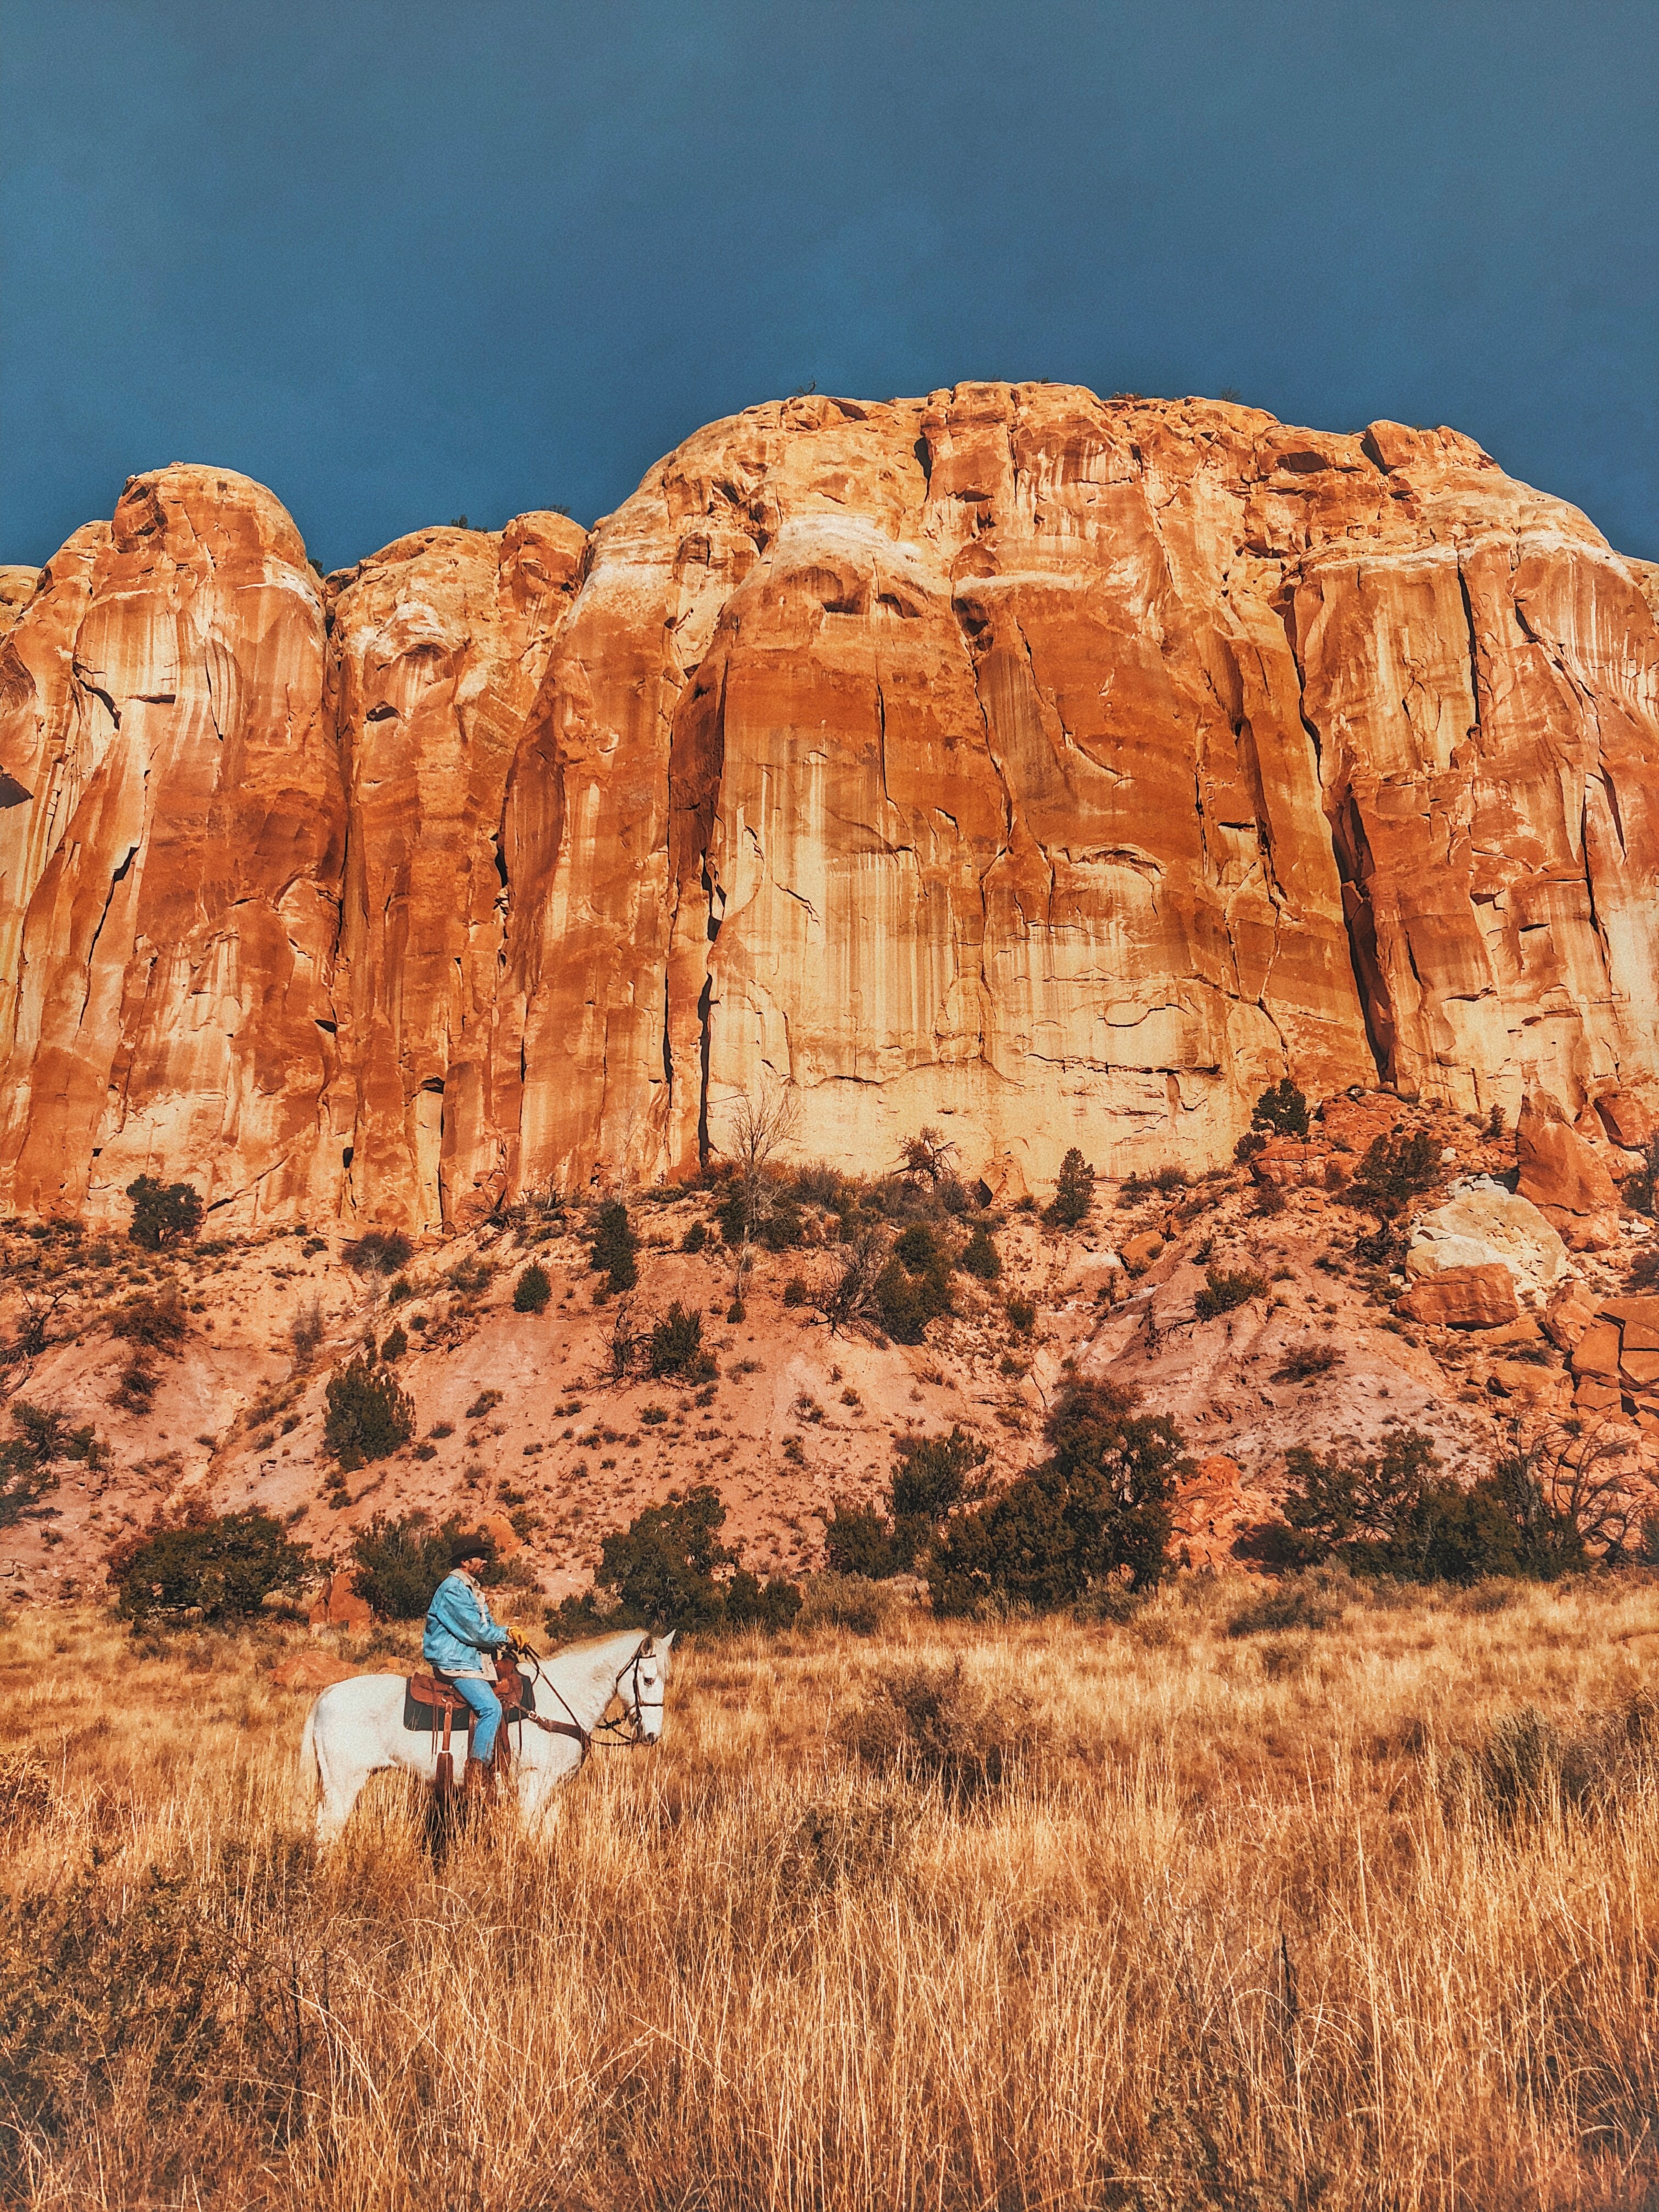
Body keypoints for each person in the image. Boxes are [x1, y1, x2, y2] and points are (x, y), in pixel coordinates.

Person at [424, 1534, 513, 1798]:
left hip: (469, 1661)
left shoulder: (470, 1588)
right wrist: (507, 1635)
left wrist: (510, 1634)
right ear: (465, 1561)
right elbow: (476, 1632)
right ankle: (476, 1772)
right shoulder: (453, 1589)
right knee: (490, 1708)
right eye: (480, 1557)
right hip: (456, 1664)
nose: (485, 1561)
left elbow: (487, 1627)